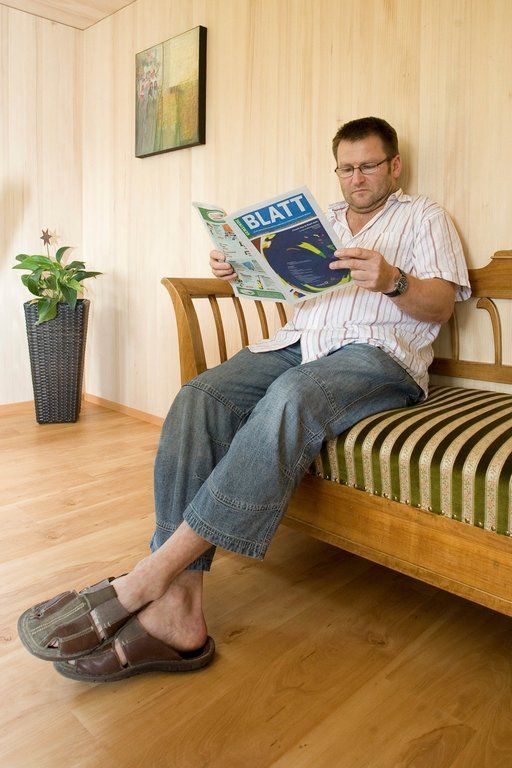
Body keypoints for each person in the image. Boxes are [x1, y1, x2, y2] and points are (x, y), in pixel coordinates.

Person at [18, 117, 471, 682]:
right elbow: (282, 287)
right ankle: (181, 607)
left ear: (394, 165)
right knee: (199, 395)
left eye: (369, 166)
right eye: (346, 168)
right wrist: (237, 270)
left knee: (291, 395)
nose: (357, 178)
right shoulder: (325, 221)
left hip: (377, 355)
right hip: (298, 343)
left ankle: (149, 577)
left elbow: (441, 306)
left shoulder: (424, 217)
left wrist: (394, 280)